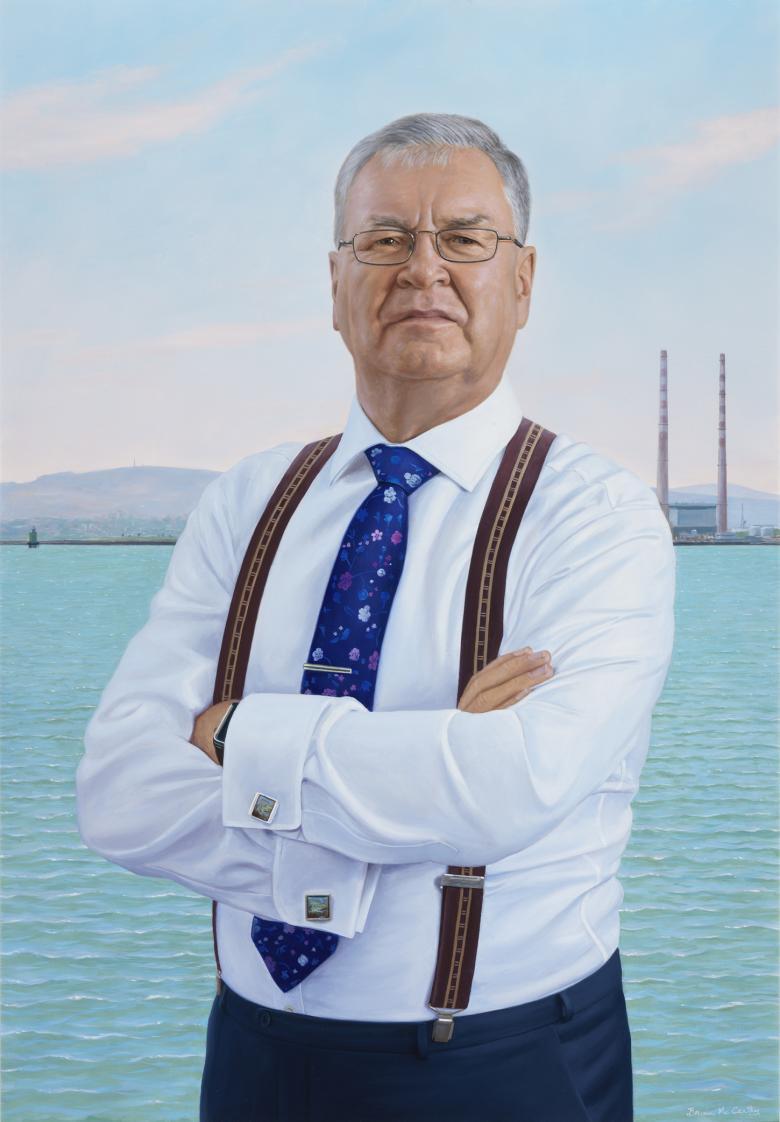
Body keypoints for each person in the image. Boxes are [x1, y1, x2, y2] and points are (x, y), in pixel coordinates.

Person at [75, 112, 676, 1122]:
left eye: (465, 238)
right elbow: (119, 794)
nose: (422, 268)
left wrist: (233, 736)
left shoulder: (596, 513)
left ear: (523, 280)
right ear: (336, 281)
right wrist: (429, 768)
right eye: (385, 238)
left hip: (504, 1064)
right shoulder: (247, 500)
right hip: (255, 1056)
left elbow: (511, 784)